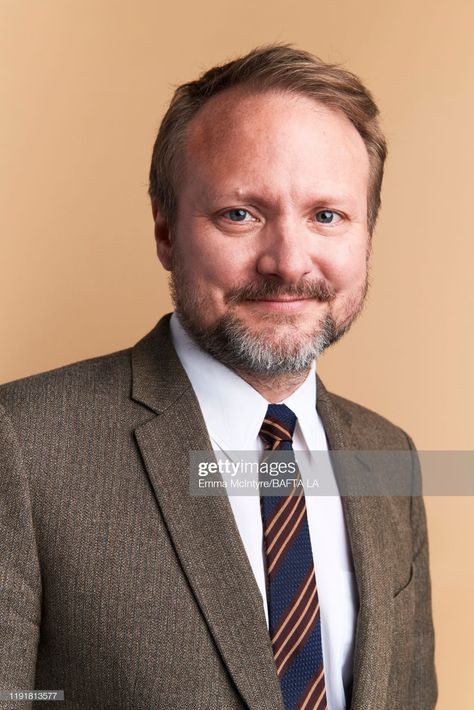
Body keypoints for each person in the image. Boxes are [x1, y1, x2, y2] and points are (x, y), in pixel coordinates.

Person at [0, 45, 436, 710]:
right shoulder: (24, 446)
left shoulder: (389, 456)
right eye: (241, 213)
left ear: (367, 233)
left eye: (327, 215)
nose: (288, 261)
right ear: (166, 230)